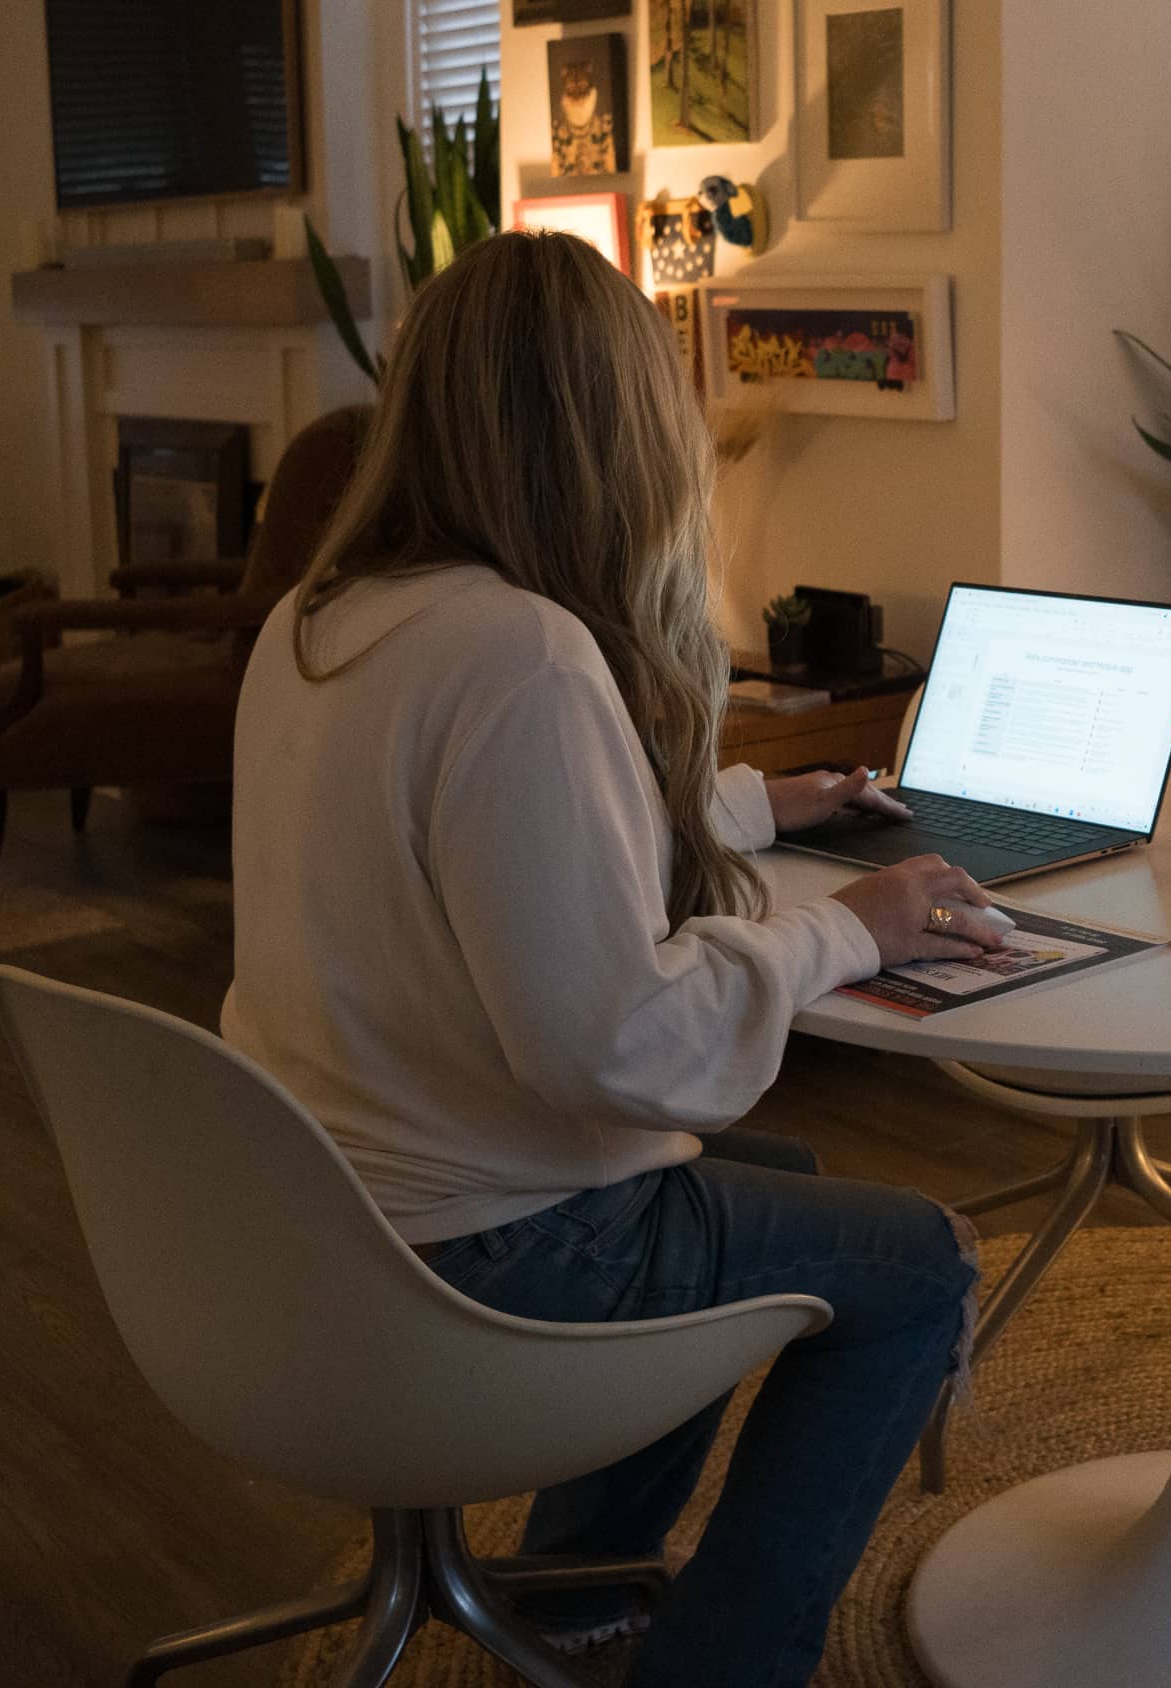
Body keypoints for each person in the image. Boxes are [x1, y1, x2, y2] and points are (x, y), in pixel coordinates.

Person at [220, 230, 1001, 1688]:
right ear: (614, 428)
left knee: (798, 1194)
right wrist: (851, 926)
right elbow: (617, 1046)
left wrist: (769, 801)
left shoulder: (323, 625)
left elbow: (491, 852)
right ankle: (722, 1663)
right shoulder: (521, 652)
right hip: (492, 1250)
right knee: (922, 1266)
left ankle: (574, 1593)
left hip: (324, 1214)